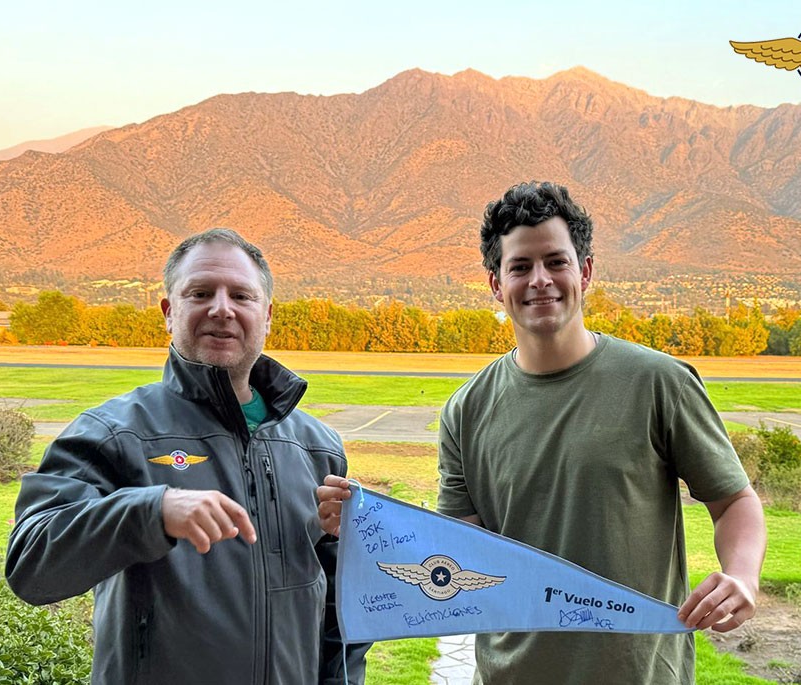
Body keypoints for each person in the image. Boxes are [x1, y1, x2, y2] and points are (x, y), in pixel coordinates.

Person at [318, 182, 766, 684]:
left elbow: (735, 503)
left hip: (641, 673)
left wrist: (743, 577)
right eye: (520, 267)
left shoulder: (659, 383)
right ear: (495, 283)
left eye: (556, 261)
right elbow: (462, 552)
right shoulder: (466, 410)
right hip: (512, 673)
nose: (540, 280)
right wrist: (374, 525)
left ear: (585, 271)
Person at [6, 228, 369, 684]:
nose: (222, 308)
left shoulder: (317, 446)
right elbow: (31, 566)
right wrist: (149, 511)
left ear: (268, 315)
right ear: (168, 311)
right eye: (200, 292)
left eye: (242, 295)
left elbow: (343, 608)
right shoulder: (114, 434)